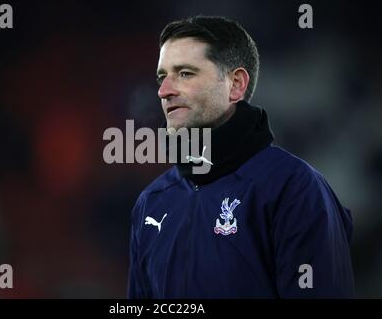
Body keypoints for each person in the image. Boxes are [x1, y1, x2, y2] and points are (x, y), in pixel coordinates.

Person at [127, 15, 354, 298]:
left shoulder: (294, 188)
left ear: (235, 84)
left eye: (185, 73)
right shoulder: (151, 202)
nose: (164, 91)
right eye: (162, 77)